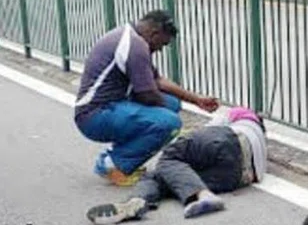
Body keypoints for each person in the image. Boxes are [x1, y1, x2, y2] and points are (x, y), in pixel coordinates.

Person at [74, 10, 219, 187]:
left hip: (109, 107)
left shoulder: (131, 36)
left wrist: (196, 99)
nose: (160, 49)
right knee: (169, 123)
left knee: (172, 104)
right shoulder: (135, 46)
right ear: (154, 33)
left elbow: (157, 81)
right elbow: (148, 94)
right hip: (95, 116)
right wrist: (176, 124)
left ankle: (118, 155)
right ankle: (112, 165)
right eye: (162, 44)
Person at [86, 107, 267, 225]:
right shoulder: (261, 143)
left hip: (228, 139)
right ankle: (138, 201)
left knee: (168, 158)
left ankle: (204, 195)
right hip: (238, 176)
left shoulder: (243, 114)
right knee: (167, 177)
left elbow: (210, 127)